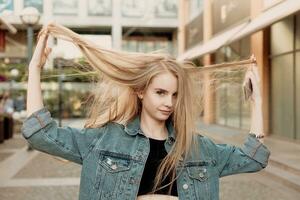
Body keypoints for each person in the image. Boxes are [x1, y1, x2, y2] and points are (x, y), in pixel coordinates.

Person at [21, 23, 270, 200]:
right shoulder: (102, 141)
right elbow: (39, 133)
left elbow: (253, 158)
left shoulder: (196, 147)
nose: (169, 103)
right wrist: (35, 68)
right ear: (141, 91)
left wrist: (257, 101)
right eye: (160, 93)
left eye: (175, 95)